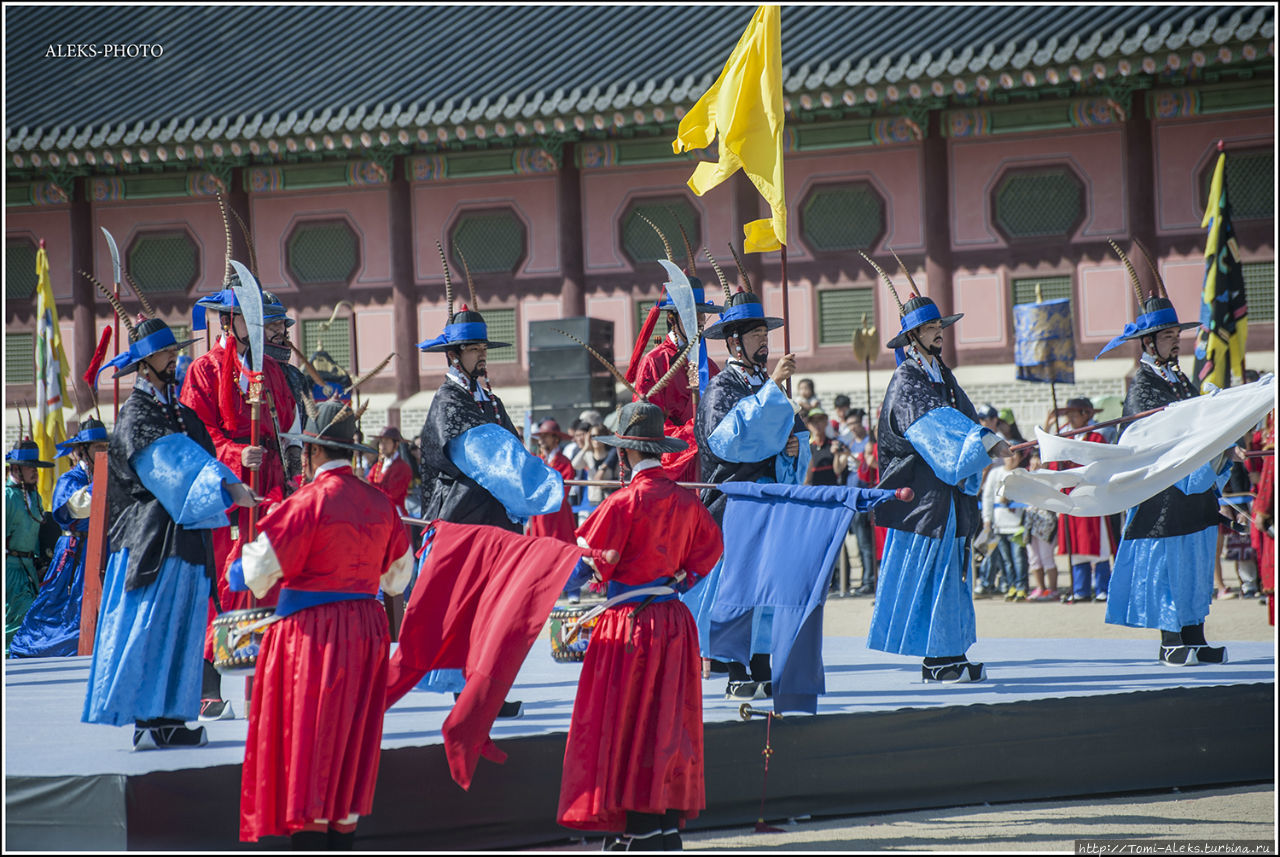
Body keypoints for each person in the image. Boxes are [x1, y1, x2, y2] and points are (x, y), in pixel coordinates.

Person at [234, 400, 412, 849]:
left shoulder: (308, 501)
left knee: (310, 739)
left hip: (313, 636)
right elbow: (398, 577)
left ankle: (309, 835)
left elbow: (257, 573)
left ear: (312, 453)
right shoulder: (382, 503)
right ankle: (341, 833)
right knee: (351, 738)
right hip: (367, 631)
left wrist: (242, 555)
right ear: (350, 452)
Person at [81, 317, 259, 748]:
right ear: (144, 365)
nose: (174, 358)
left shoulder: (181, 413)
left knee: (185, 625)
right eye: (165, 353)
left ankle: (173, 716)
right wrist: (226, 486)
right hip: (151, 542)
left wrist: (227, 478)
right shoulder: (135, 415)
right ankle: (146, 717)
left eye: (174, 351)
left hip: (186, 538)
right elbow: (170, 468)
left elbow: (205, 454)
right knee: (152, 625)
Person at [557, 400, 723, 851]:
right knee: (668, 724)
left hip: (631, 626)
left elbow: (587, 565)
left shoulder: (623, 502)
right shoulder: (686, 500)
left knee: (629, 724)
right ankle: (663, 825)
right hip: (674, 621)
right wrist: (679, 579)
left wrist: (538, 565)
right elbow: (710, 552)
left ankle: (638, 828)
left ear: (626, 453)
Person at [411, 252, 564, 715]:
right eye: (474, 350)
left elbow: (514, 451)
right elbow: (494, 461)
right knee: (468, 611)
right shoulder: (449, 404)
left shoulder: (490, 402)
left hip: (493, 525)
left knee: (493, 611)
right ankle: (471, 696)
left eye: (482, 349)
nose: (482, 356)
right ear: (454, 355)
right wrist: (544, 486)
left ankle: (487, 690)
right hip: (462, 525)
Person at [862, 254, 1009, 683]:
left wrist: (984, 438)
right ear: (913, 337)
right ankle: (939, 659)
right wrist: (981, 443)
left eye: (939, 327)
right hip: (923, 497)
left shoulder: (940, 375)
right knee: (935, 576)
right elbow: (938, 434)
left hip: (944, 494)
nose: (939, 334)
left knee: (952, 575)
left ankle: (952, 653)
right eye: (931, 329)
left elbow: (963, 419)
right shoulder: (908, 381)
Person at [1097, 254, 1236, 665]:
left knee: (1195, 562)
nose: (1177, 339)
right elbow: (1151, 436)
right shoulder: (1142, 386)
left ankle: (1195, 636)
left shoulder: (1179, 378)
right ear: (1148, 342)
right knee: (1170, 569)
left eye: (1177, 332)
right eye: (1169, 334)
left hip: (1193, 491)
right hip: (1163, 494)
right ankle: (1171, 640)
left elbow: (1198, 422)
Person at [182, 280, 301, 720]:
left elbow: (287, 423)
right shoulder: (204, 370)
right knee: (224, 585)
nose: (265, 329)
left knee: (272, 579)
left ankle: (269, 686)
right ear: (232, 321)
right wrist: (234, 454)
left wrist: (291, 460)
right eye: (255, 319)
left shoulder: (272, 370)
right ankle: (207, 688)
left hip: (269, 488)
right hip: (226, 488)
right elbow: (197, 436)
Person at [690, 286, 807, 699]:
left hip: (769, 498)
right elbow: (729, 442)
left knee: (767, 586)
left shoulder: (765, 384)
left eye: (765, 333)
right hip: (735, 501)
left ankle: (762, 662)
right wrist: (773, 390)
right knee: (739, 587)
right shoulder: (722, 388)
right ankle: (737, 667)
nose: (764, 341)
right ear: (734, 341)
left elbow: (794, 436)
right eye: (755, 335)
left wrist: (795, 448)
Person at [625, 241, 723, 483]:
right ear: (672, 318)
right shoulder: (654, 362)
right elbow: (647, 421)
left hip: (708, 464)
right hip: (673, 467)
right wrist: (694, 431)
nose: (699, 322)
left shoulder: (709, 365)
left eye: (702, 315)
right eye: (692, 315)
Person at [10, 419, 109, 658]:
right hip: (74, 551)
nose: (105, 452)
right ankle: (33, 648)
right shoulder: (70, 480)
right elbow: (75, 508)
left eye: (106, 447)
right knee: (60, 604)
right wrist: (106, 482)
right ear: (81, 451)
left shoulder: (103, 476)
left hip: (100, 549)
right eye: (98, 447)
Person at [1045, 398, 1115, 603]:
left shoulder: (1096, 437)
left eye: (1074, 413)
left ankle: (1102, 587)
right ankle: (1080, 588)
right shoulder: (1064, 438)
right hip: (1070, 497)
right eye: (1068, 414)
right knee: (1075, 546)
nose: (1070, 418)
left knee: (1098, 543)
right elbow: (1051, 464)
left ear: (1086, 414)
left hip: (1091, 496)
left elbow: (1102, 465)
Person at [5, 437, 52, 656]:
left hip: (29, 568)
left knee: (28, 616)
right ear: (16, 468)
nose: (35, 472)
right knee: (13, 618)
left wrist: (40, 560)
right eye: (30, 468)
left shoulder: (34, 495)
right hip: (10, 568)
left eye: (36, 468)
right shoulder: (7, 497)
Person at [980, 447, 1031, 602]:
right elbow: (987, 497)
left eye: (1015, 455)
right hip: (999, 524)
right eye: (1008, 455)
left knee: (1018, 558)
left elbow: (1028, 497)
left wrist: (1012, 498)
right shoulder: (995, 473)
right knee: (1005, 560)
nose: (1011, 458)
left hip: (1017, 525)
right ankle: (1011, 586)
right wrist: (987, 520)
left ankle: (1022, 587)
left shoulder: (1023, 474)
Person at [528, 419, 578, 544]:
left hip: (557, 515)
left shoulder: (564, 462)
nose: (541, 440)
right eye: (540, 437)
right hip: (538, 514)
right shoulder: (537, 461)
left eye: (545, 436)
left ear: (556, 438)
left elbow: (562, 492)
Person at [1023, 451, 1061, 601]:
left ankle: (1053, 589)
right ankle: (1040, 588)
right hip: (1031, 520)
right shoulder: (1025, 476)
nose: (1035, 462)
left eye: (1038, 459)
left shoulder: (1051, 477)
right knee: (1033, 558)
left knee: (1047, 557)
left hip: (1046, 520)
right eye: (1033, 458)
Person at [571, 424, 620, 523]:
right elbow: (574, 465)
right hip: (591, 502)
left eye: (599, 435)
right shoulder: (588, 455)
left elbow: (618, 477)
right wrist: (585, 447)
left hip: (609, 501)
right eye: (592, 436)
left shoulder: (612, 457)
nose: (596, 439)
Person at [367, 425, 412, 519]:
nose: (382, 446)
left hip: (395, 513)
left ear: (396, 445)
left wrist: (368, 485)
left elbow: (392, 494)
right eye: (381, 442)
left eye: (386, 442)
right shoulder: (377, 466)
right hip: (377, 511)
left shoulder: (402, 468)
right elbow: (369, 482)